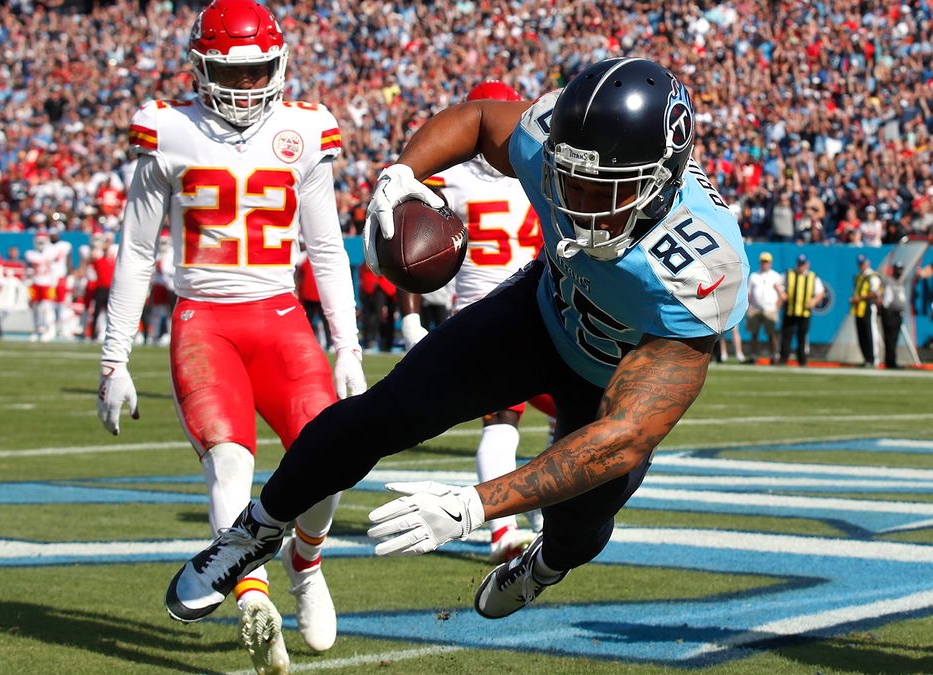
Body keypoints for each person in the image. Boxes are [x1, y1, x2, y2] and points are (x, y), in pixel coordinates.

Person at [161, 58, 747, 627]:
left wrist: (472, 506)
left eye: (600, 188)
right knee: (380, 414)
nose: (573, 200)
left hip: (607, 380)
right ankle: (255, 530)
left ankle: (542, 566)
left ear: (662, 178)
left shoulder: (702, 265)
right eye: (567, 176)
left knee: (578, 527)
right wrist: (402, 174)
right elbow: (480, 119)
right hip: (538, 316)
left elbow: (623, 437)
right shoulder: (557, 144)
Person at [94, 1, 367, 671]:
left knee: (329, 454)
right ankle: (253, 596)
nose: (245, 90)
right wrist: (114, 358)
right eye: (230, 75)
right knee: (229, 460)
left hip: (279, 318)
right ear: (200, 69)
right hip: (204, 323)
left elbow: (327, 250)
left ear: (278, 68)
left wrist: (349, 344)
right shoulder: (170, 132)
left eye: (257, 75)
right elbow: (135, 251)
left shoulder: (304, 131)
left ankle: (305, 561)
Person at [397, 80, 556, 563]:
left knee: (573, 412)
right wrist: (411, 316)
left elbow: (406, 247)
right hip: (490, 313)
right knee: (504, 419)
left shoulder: (459, 178)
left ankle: (539, 503)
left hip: (539, 308)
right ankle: (504, 529)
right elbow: (409, 248)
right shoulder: (524, 171)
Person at [777, 254, 825, 367]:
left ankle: (802, 360)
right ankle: (783, 358)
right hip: (790, 310)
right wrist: (781, 293)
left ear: (807, 264)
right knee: (786, 335)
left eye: (803, 264)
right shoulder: (789, 273)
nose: (801, 267)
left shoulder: (813, 277)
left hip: (804, 312)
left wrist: (814, 301)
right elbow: (777, 284)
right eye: (799, 264)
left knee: (802, 337)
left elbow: (820, 292)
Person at [744, 251, 784, 362]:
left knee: (771, 334)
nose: (764, 264)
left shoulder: (776, 276)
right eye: (763, 262)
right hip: (755, 308)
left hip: (770, 309)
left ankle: (773, 355)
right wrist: (748, 308)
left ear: (770, 263)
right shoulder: (754, 276)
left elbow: (782, 295)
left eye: (766, 262)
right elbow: (749, 294)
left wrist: (776, 308)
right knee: (754, 333)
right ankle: (753, 355)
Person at [849, 253, 882, 367]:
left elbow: (875, 292)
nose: (861, 266)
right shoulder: (859, 276)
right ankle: (867, 358)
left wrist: (859, 298)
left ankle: (873, 359)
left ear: (867, 263)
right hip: (859, 309)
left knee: (870, 333)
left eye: (863, 263)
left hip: (868, 307)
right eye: (860, 264)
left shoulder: (872, 276)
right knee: (861, 334)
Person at [879, 262, 909, 369]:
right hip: (888, 313)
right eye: (898, 269)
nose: (900, 271)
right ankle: (890, 362)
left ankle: (892, 361)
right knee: (889, 338)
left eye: (901, 269)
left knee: (895, 338)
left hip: (898, 314)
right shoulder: (888, 280)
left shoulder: (901, 281)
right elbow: (881, 294)